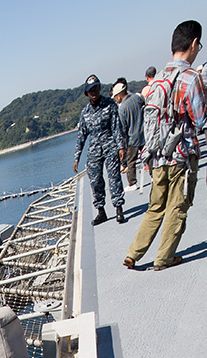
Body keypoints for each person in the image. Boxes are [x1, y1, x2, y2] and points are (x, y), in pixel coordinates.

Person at [124, 20, 206, 271]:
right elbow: (200, 120)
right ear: (194, 44)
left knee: (155, 207)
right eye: (199, 45)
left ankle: (133, 254)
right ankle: (164, 257)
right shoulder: (191, 78)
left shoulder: (158, 78)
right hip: (181, 154)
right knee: (177, 207)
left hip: (157, 155)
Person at [73, 75, 126, 224]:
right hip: (94, 150)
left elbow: (116, 127)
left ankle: (119, 209)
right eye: (91, 90)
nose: (94, 92)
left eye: (96, 88)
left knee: (114, 178)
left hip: (110, 145)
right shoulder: (85, 112)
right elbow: (81, 136)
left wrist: (121, 147)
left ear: (99, 88)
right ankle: (101, 211)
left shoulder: (110, 104)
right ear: (87, 93)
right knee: (95, 181)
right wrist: (77, 158)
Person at [112, 81, 145, 188]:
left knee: (131, 162)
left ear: (118, 96)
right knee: (149, 157)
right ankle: (154, 175)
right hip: (144, 134)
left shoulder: (122, 108)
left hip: (132, 139)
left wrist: (122, 144)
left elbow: (122, 128)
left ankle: (132, 183)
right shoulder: (137, 98)